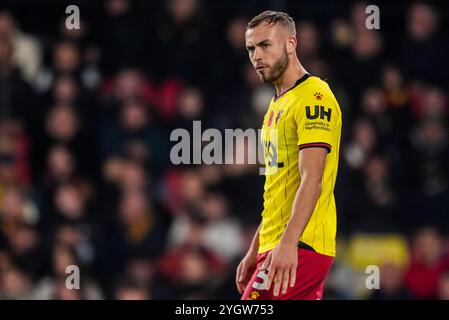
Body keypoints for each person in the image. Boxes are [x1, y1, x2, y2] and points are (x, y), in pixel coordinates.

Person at [236, 11, 342, 300]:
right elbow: (279, 189)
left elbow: (312, 180)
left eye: (265, 45)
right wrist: (255, 249)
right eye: (251, 48)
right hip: (279, 245)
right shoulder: (275, 106)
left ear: (292, 43)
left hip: (300, 246)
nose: (256, 55)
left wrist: (287, 244)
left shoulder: (314, 96)